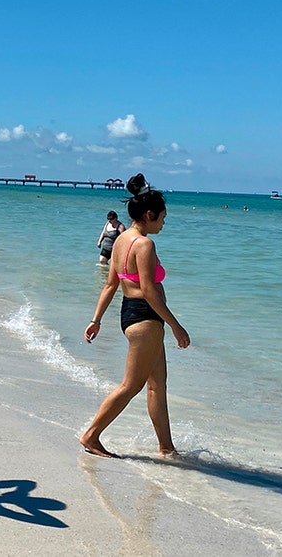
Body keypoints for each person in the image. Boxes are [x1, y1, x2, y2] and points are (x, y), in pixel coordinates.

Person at [80, 174, 190, 458]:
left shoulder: (120, 241)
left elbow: (110, 285)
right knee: (132, 385)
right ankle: (91, 435)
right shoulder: (144, 245)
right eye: (163, 217)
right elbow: (150, 291)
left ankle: (166, 448)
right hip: (146, 318)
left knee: (156, 386)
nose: (164, 222)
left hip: (130, 314)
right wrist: (176, 326)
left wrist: (96, 320)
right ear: (149, 214)